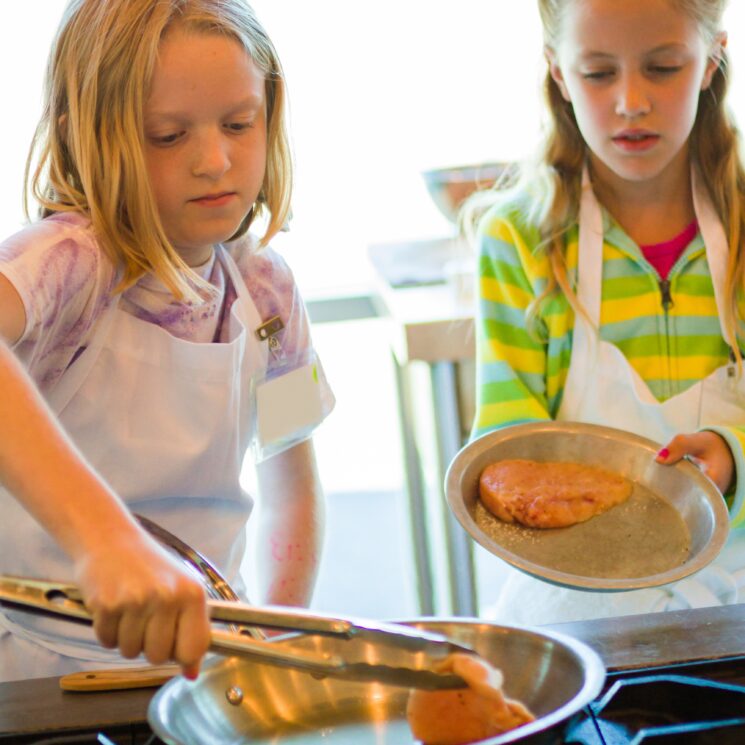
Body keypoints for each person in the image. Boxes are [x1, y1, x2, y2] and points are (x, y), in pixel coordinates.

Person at [0, 0, 333, 681]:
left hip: (206, 661)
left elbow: (291, 476)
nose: (215, 161)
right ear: (84, 135)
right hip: (38, 669)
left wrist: (278, 640)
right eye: (166, 135)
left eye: (239, 124)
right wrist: (105, 541)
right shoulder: (66, 265)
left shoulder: (266, 291)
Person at [469, 0, 745, 625]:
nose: (630, 101)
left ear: (711, 60)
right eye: (598, 73)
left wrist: (732, 460)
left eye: (664, 67)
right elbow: (501, 447)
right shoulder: (520, 241)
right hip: (577, 608)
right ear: (558, 73)